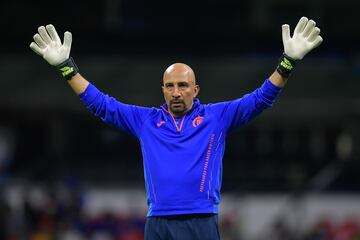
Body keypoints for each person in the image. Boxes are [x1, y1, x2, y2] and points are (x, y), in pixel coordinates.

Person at [29, 16, 323, 240]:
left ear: (196, 89)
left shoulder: (216, 117)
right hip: (158, 222)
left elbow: (261, 99)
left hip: (202, 220)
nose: (176, 91)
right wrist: (67, 67)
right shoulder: (146, 121)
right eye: (170, 86)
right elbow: (102, 105)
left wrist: (288, 62)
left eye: (183, 85)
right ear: (163, 90)